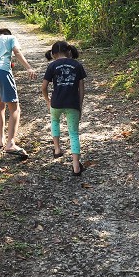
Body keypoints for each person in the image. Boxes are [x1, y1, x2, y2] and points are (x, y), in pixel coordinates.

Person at [0, 28, 37, 157]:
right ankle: (10, 143)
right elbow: (16, 52)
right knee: (15, 108)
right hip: (2, 72)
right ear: (7, 34)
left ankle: (1, 139)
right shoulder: (10, 38)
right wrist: (29, 68)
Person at [42, 40, 87, 175]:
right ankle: (76, 167)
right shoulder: (77, 65)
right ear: (69, 52)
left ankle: (57, 149)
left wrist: (48, 100)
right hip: (72, 103)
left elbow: (44, 87)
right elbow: (81, 89)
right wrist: (79, 105)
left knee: (54, 122)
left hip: (56, 102)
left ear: (54, 54)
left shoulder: (52, 66)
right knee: (73, 134)